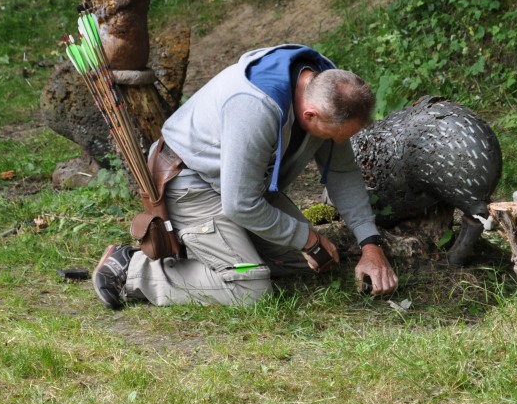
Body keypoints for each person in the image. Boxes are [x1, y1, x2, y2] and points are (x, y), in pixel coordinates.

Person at [92, 44, 399, 308]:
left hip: (242, 187)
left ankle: (211, 252)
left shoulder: (329, 89)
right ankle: (133, 267)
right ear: (310, 115)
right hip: (190, 182)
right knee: (250, 290)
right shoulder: (255, 108)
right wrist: (306, 237)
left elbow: (342, 172)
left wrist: (370, 244)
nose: (337, 142)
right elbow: (241, 205)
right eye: (334, 136)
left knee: (315, 263)